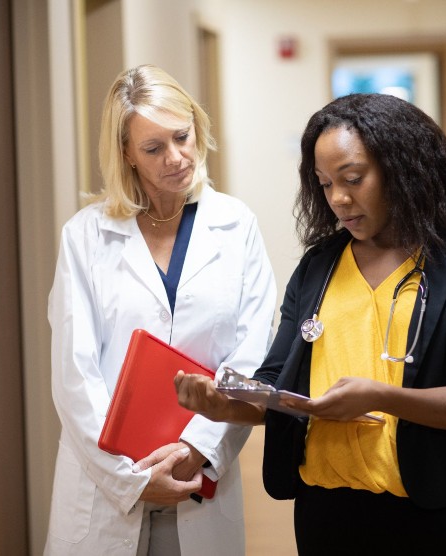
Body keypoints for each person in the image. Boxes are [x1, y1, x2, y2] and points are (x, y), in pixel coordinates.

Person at [175, 93, 446, 555]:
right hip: (323, 513)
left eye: (353, 179)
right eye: (324, 184)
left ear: (403, 168)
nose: (339, 199)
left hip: (425, 515)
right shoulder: (319, 267)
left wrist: (383, 397)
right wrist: (224, 405)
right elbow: (277, 384)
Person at [44, 64, 276, 556]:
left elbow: (252, 354)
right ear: (126, 153)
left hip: (200, 481)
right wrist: (129, 478)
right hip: (104, 487)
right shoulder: (85, 236)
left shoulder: (236, 226)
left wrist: (198, 448)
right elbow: (73, 372)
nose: (176, 157)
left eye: (182, 137)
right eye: (153, 148)